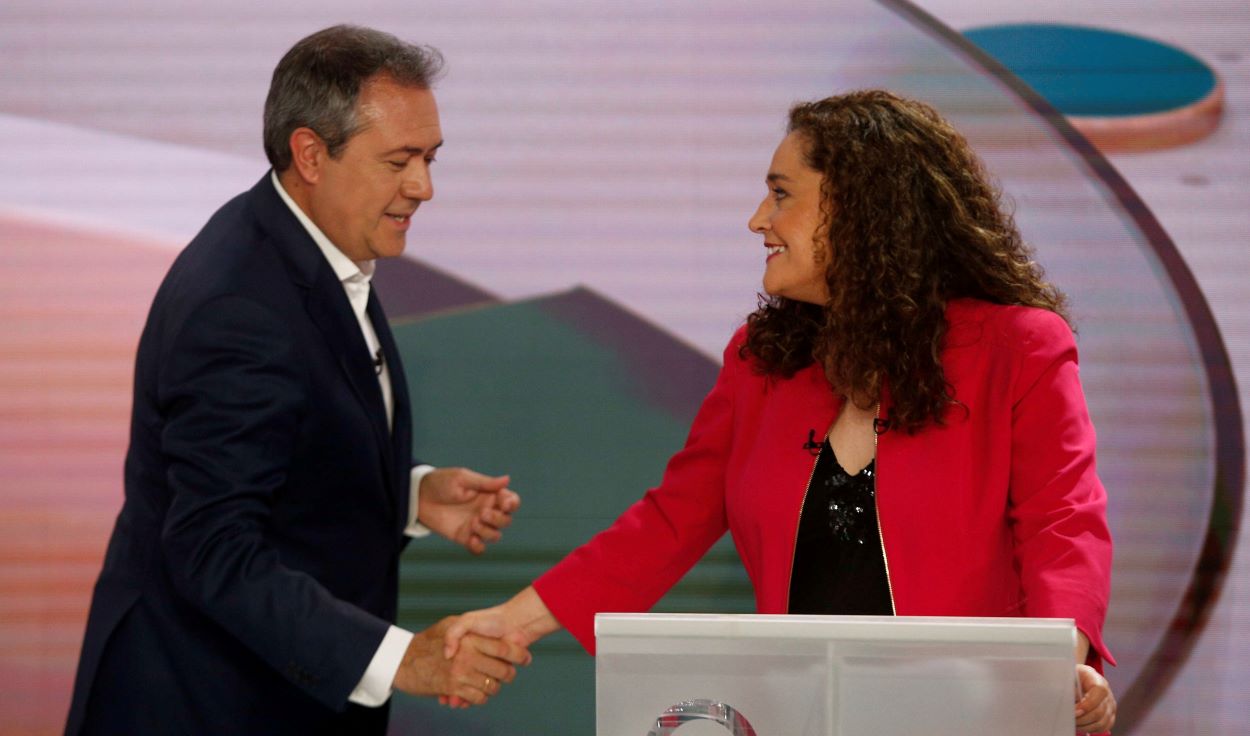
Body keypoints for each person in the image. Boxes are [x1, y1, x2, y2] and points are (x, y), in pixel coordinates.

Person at [446, 90, 1117, 733]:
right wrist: (513, 621)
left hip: (976, 718)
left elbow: (1064, 523)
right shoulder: (761, 360)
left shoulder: (1017, 347)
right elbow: (669, 521)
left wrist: (1065, 663)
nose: (757, 219)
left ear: (860, 209)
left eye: (781, 193)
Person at [64, 25, 528, 736]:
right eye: (400, 160)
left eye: (431, 158)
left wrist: (406, 495)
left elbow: (281, 458)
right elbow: (213, 547)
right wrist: (402, 661)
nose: (424, 187)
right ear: (311, 154)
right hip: (206, 703)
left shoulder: (309, 246)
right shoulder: (240, 307)